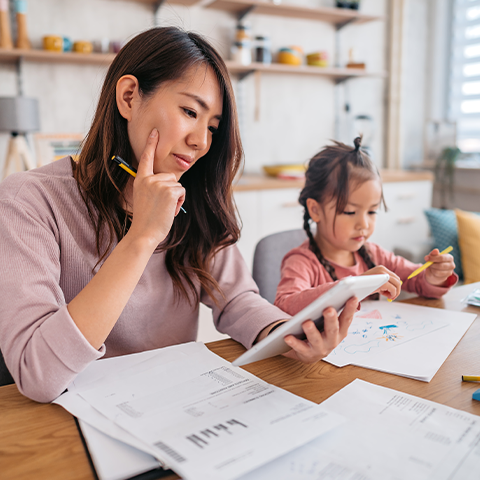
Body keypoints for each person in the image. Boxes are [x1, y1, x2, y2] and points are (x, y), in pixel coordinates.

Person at [0, 27, 358, 403]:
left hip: (173, 403)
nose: (201, 141)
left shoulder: (192, 197)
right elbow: (36, 373)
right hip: (69, 422)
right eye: (190, 112)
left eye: (212, 128)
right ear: (128, 97)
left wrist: (287, 334)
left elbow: (236, 300)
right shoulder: (28, 201)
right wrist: (142, 237)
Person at [274, 137, 458, 316]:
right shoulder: (301, 262)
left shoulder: (374, 254)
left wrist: (433, 276)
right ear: (315, 210)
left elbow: (417, 279)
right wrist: (355, 285)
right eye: (349, 212)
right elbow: (285, 306)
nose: (364, 224)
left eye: (372, 212)